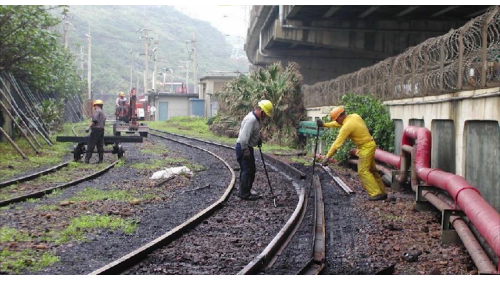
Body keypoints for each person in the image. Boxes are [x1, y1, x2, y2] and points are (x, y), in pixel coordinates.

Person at [317, 106, 387, 201]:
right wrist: (324, 125)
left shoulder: (347, 126)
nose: (337, 121)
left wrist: (327, 158)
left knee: (363, 171)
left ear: (341, 117)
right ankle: (382, 192)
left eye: (337, 119)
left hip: (366, 148)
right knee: (373, 171)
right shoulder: (354, 116)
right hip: (370, 145)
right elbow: (338, 124)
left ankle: (376, 193)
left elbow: (336, 144)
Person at [235, 100, 274, 201]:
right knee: (247, 171)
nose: (265, 116)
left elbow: (252, 133)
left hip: (246, 147)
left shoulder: (255, 119)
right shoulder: (251, 120)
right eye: (265, 114)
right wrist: (246, 150)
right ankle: (244, 194)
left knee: (250, 170)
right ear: (260, 110)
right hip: (244, 147)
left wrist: (257, 140)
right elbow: (244, 138)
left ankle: (245, 190)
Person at [85, 99, 107, 164]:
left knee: (91, 145)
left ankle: (87, 160)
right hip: (101, 130)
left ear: (95, 105)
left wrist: (88, 127)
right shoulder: (103, 113)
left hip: (95, 130)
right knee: (100, 145)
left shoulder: (97, 111)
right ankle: (100, 160)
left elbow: (95, 120)